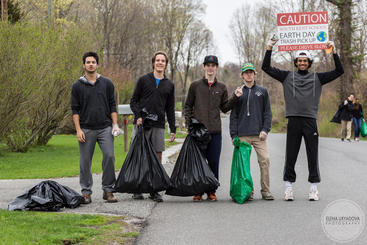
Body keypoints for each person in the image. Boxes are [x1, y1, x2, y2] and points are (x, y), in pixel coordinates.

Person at [262, 39, 344, 201]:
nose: (302, 63)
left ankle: (313, 188)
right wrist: (270, 47)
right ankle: (288, 187)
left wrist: (334, 51)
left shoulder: (317, 78)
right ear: (296, 62)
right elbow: (266, 67)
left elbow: (339, 71)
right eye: (299, 61)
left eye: (305, 61)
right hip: (293, 121)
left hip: (310, 121)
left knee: (312, 155)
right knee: (290, 154)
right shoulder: (287, 76)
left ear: (309, 63)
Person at [184, 55, 242, 202]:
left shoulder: (221, 87)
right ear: (204, 67)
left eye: (213, 65)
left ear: (216, 68)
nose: (210, 68)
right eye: (208, 65)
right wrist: (189, 125)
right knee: (199, 162)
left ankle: (211, 191)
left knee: (214, 162)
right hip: (198, 132)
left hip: (215, 132)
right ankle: (198, 191)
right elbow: (188, 106)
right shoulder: (195, 86)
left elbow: (224, 108)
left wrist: (235, 97)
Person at [71, 51, 120, 204]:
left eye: (93, 62)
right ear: (84, 65)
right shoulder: (77, 86)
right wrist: (78, 130)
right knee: (85, 162)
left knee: (109, 156)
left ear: (97, 64)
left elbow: (113, 105)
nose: (91, 64)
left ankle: (108, 190)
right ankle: (86, 193)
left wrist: (115, 124)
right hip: (86, 129)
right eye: (88, 62)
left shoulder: (107, 83)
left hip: (105, 128)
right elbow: (75, 109)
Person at [130, 51, 176, 202]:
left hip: (158, 125)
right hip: (142, 124)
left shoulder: (169, 84)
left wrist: (173, 129)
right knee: (140, 155)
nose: (160, 63)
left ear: (166, 64)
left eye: (163, 60)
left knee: (157, 156)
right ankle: (138, 188)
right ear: (153, 63)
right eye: (158, 60)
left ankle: (154, 189)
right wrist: (138, 117)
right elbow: (133, 101)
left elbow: (170, 108)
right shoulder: (143, 80)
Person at [229, 63, 274, 201]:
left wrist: (265, 130)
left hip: (259, 135)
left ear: (255, 74)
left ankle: (265, 191)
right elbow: (233, 115)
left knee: (265, 160)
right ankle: (248, 191)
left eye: (251, 72)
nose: (249, 74)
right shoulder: (238, 92)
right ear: (242, 75)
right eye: (246, 72)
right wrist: (234, 135)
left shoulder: (262, 91)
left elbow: (268, 113)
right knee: (244, 165)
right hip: (243, 135)